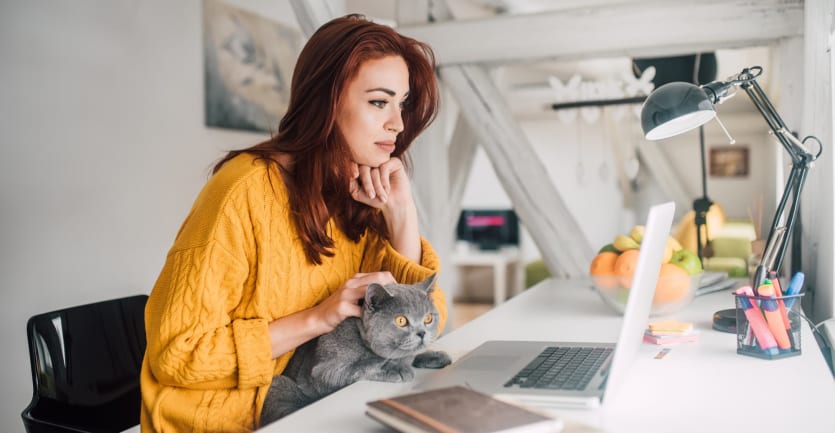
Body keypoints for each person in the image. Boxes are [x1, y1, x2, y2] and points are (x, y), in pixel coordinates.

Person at [140, 14, 447, 433]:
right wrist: (319, 318)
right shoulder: (242, 191)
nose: (397, 123)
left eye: (403, 104)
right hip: (224, 422)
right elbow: (179, 355)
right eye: (379, 102)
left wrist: (402, 214)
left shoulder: (357, 194)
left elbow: (428, 321)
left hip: (315, 407)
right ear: (326, 102)